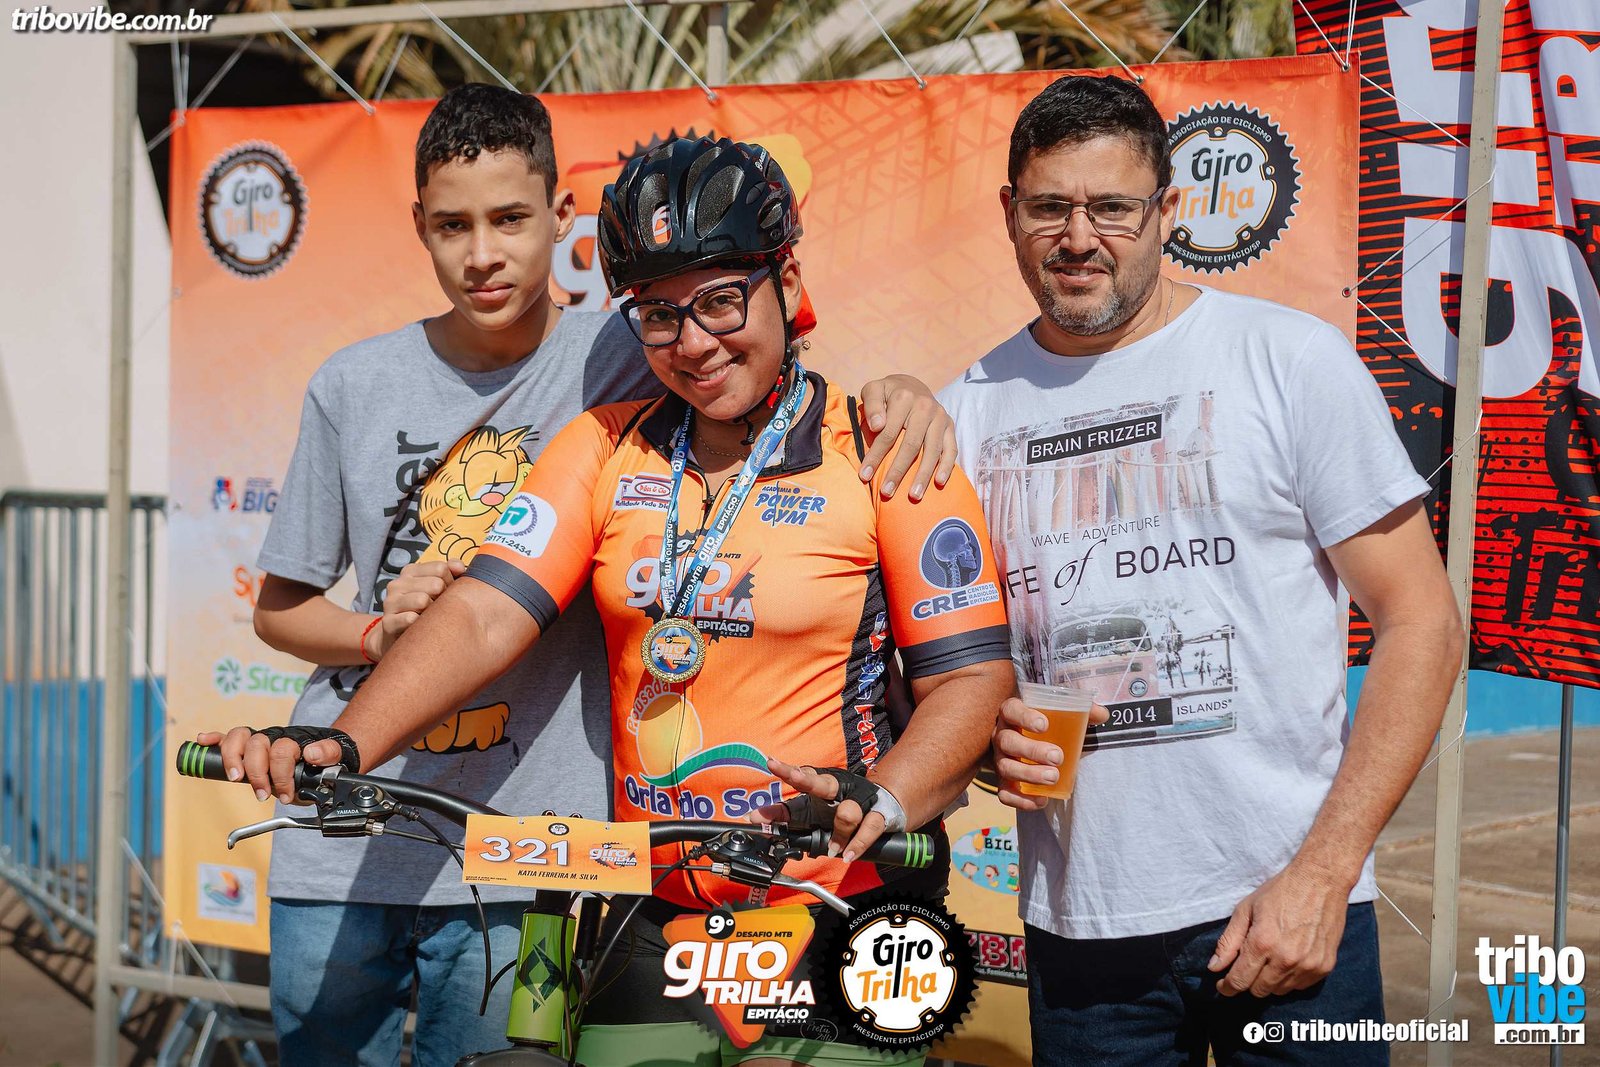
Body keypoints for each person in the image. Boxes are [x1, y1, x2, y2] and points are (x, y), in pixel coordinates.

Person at [208, 133, 1014, 1066]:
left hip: (844, 901)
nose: (695, 343)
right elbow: (482, 613)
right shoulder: (603, 445)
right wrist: (345, 742)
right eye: (660, 315)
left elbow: (971, 679)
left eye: (721, 300)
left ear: (787, 283)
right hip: (654, 911)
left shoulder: (883, 452)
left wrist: (886, 798)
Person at [938, 75, 1463, 1066]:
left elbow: (1421, 622)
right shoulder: (965, 411)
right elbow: (943, 671)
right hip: (1084, 933)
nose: (1079, 238)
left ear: (1168, 209)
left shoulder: (1287, 360)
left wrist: (1325, 870)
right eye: (1049, 207)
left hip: (1288, 909)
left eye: (1112, 207)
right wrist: (981, 741)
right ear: (1009, 212)